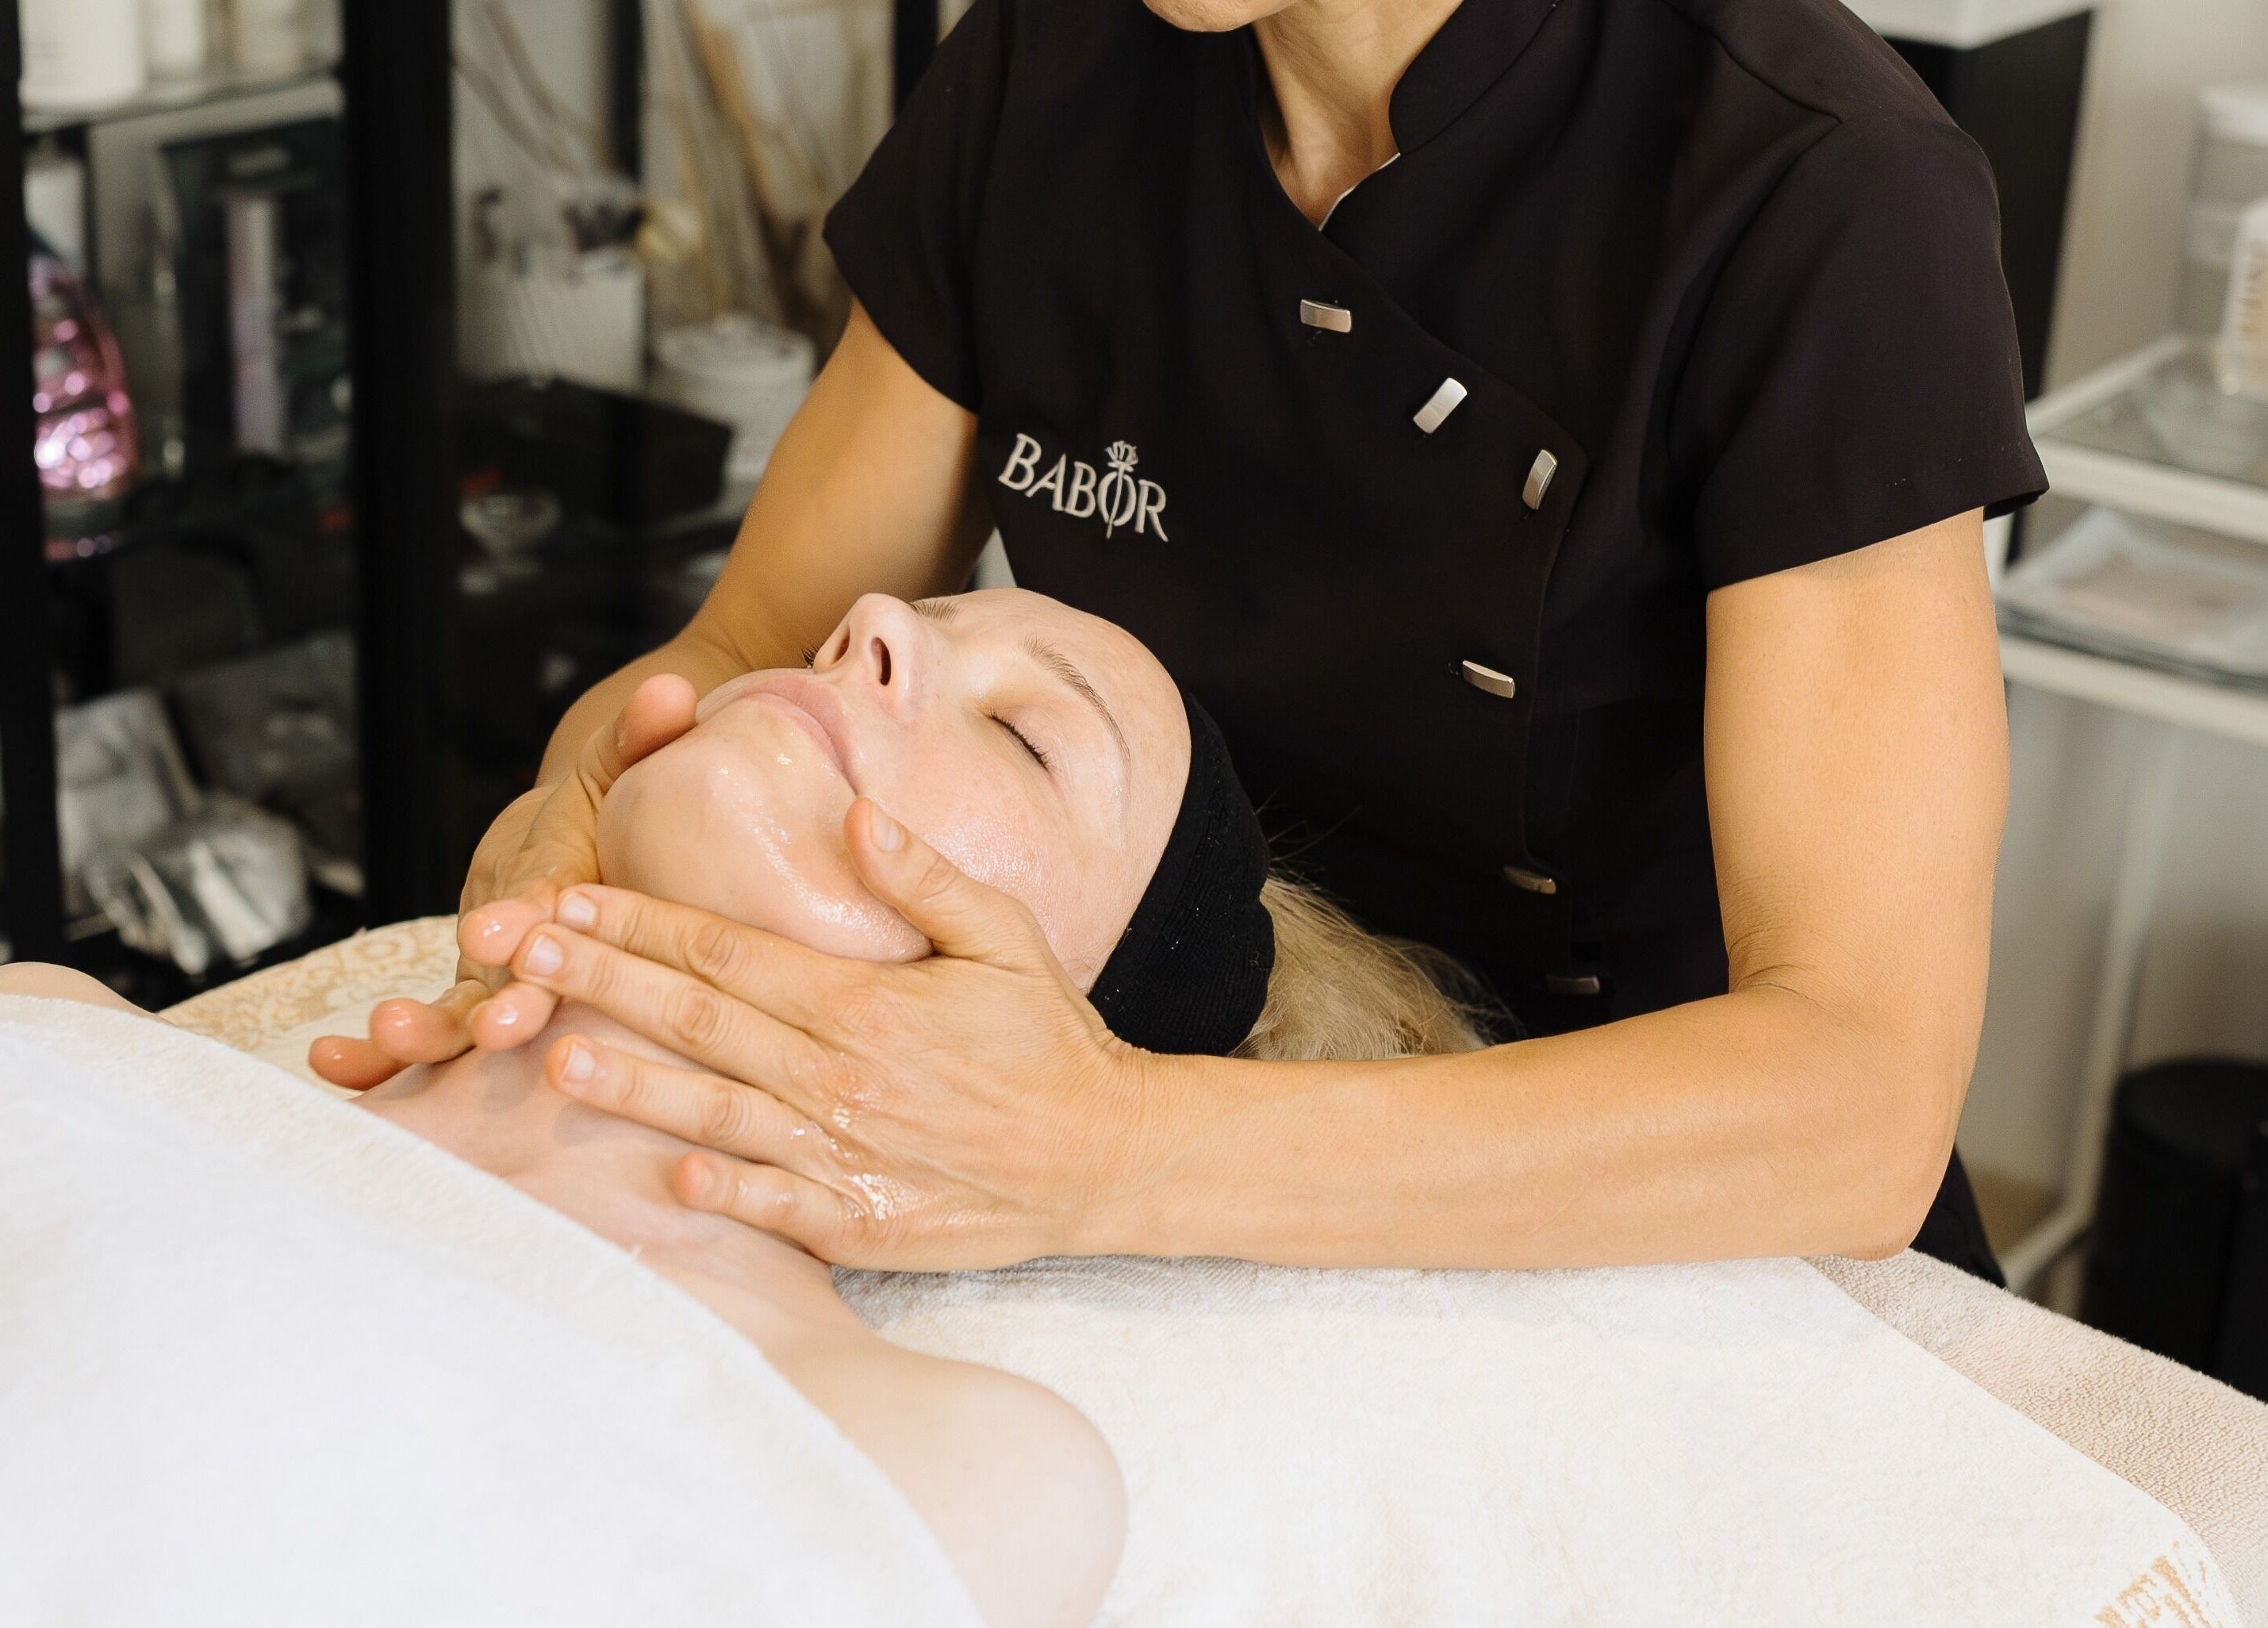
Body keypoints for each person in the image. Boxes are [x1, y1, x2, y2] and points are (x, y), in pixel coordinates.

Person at [319, 0, 2042, 1281]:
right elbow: (753, 635)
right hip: (1140, 1094)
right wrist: (569, 838)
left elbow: (1854, 1094)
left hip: (1661, 1212)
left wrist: (1103, 1149)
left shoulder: (1813, 195)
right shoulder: (1047, 71)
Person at [6, 586, 1484, 1628]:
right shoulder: (62, 1039)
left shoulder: (932, 1461)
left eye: (1030, 739)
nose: (874, 626)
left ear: (1061, 1030)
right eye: (898, 617)